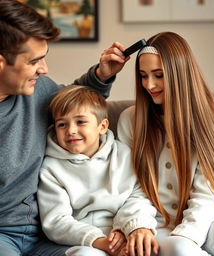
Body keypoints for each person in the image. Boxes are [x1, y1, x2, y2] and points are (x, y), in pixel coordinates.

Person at [0, 1, 127, 255]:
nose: (44, 69)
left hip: (50, 235)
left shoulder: (37, 91)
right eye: (34, 61)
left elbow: (74, 106)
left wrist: (101, 75)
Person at [117, 32, 214, 256]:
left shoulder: (213, 118)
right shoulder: (130, 121)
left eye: (158, 75)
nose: (149, 85)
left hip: (205, 219)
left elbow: (210, 191)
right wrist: (138, 224)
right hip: (157, 225)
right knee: (181, 249)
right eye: (143, 76)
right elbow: (129, 187)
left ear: (179, 74)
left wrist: (187, 234)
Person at [37, 85, 159, 256]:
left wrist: (131, 227)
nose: (71, 131)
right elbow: (56, 221)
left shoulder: (124, 155)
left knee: (147, 248)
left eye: (80, 122)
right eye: (62, 124)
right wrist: (100, 241)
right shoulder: (50, 168)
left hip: (124, 230)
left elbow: (139, 195)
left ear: (102, 126)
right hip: (84, 240)